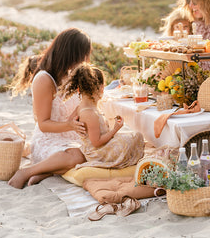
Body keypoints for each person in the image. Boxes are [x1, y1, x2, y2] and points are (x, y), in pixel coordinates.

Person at [9, 63, 144, 189]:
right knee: (135, 138)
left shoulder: (82, 107)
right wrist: (114, 129)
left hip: (88, 147)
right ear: (101, 88)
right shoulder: (90, 112)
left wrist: (79, 126)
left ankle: (46, 172)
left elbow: (72, 120)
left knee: (76, 157)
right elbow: (97, 142)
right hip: (95, 149)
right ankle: (28, 172)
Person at [9, 28, 91, 184]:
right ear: (72, 54)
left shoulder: (71, 74)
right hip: (50, 141)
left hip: (73, 140)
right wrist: (70, 125)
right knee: (78, 157)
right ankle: (26, 172)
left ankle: (45, 171)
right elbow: (43, 124)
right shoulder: (44, 79)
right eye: (83, 56)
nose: (85, 60)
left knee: (99, 151)